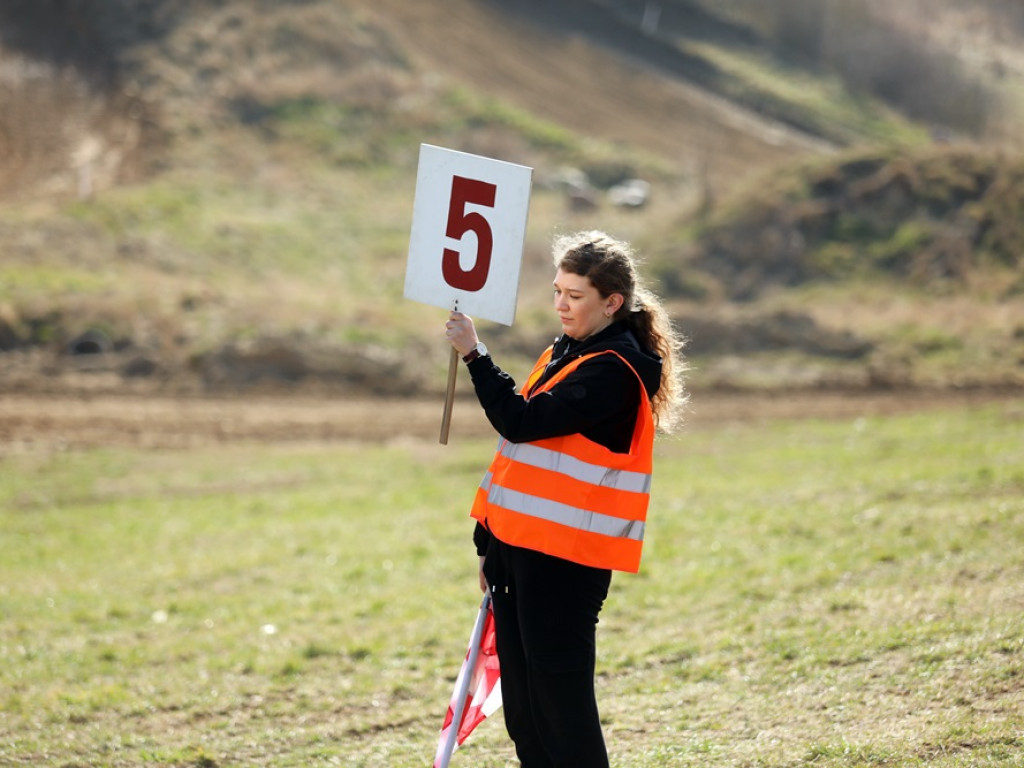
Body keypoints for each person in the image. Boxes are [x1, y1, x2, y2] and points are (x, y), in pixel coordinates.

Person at [444, 230, 687, 767]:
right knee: (526, 715)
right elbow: (521, 463)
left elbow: (521, 421)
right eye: (557, 291)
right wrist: (489, 544)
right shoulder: (566, 351)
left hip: (566, 562)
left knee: (563, 714)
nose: (560, 305)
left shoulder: (612, 372)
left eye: (574, 296)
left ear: (611, 302)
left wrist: (475, 355)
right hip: (518, 551)